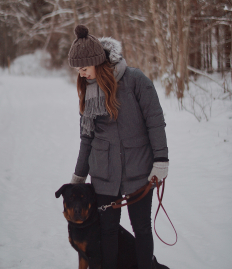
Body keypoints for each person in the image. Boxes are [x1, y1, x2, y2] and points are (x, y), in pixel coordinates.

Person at [68, 24, 170, 269]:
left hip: (139, 170)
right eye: (78, 70)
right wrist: (79, 175)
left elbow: (155, 122)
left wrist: (161, 160)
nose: (81, 74)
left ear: (97, 62)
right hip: (104, 173)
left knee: (142, 229)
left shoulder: (136, 80)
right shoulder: (88, 91)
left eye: (84, 68)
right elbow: (87, 138)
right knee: (108, 232)